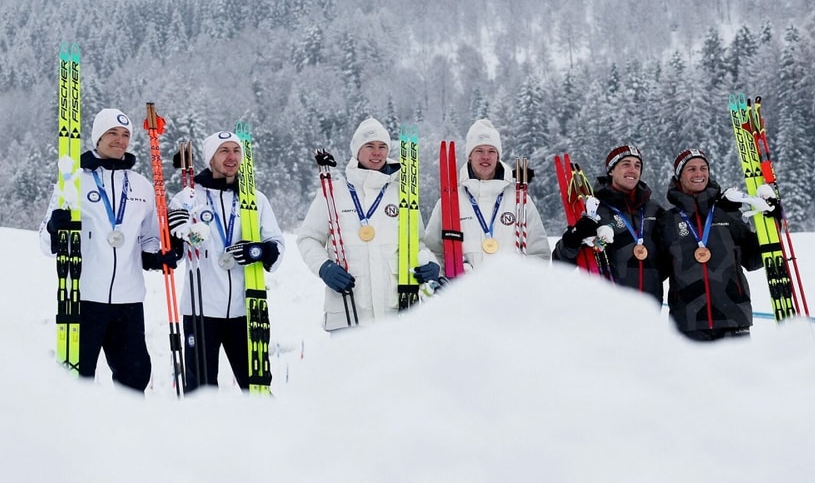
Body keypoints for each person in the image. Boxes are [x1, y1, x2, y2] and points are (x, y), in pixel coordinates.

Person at [39, 108, 180, 392]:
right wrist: (56, 226)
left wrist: (158, 256)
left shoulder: (141, 185)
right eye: (112, 133)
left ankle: (129, 433)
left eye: (125, 134)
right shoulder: (73, 180)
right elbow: (44, 242)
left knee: (135, 377)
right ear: (98, 137)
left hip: (128, 303)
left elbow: (150, 239)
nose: (120, 140)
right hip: (84, 298)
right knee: (78, 379)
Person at [166, 130, 284, 392]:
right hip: (201, 309)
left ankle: (265, 431)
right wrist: (178, 235)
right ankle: (204, 433)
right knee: (201, 389)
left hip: (246, 308)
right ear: (211, 158)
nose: (232, 157)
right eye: (224, 151)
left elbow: (276, 242)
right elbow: (177, 252)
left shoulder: (255, 198)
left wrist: (261, 251)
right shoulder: (188, 197)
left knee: (257, 385)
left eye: (236, 151)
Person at [297, 118, 440, 332]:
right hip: (347, 312)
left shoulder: (402, 194)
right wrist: (323, 267)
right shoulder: (333, 193)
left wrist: (429, 263)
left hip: (395, 312)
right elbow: (308, 238)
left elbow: (416, 243)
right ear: (357, 151)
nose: (377, 152)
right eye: (370, 146)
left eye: (382, 146)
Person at [655, 148, 764, 342]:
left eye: (703, 168)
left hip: (734, 320)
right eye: (691, 169)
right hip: (688, 325)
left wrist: (770, 225)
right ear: (679, 175)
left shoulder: (727, 213)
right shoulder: (667, 221)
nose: (699, 174)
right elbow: (656, 271)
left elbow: (753, 259)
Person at [425, 118, 550, 271]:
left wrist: (523, 280)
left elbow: (539, 254)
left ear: (498, 156)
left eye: (491, 151)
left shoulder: (520, 200)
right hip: (465, 293)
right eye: (479, 151)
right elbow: (433, 252)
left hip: (511, 292)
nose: (486, 157)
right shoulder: (450, 201)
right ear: (470, 156)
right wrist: (438, 273)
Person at [552, 145, 665, 303]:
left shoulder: (653, 209)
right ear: (611, 170)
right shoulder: (595, 208)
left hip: (649, 309)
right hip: (608, 307)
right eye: (626, 164)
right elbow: (560, 263)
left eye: (637, 165)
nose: (633, 170)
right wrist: (574, 238)